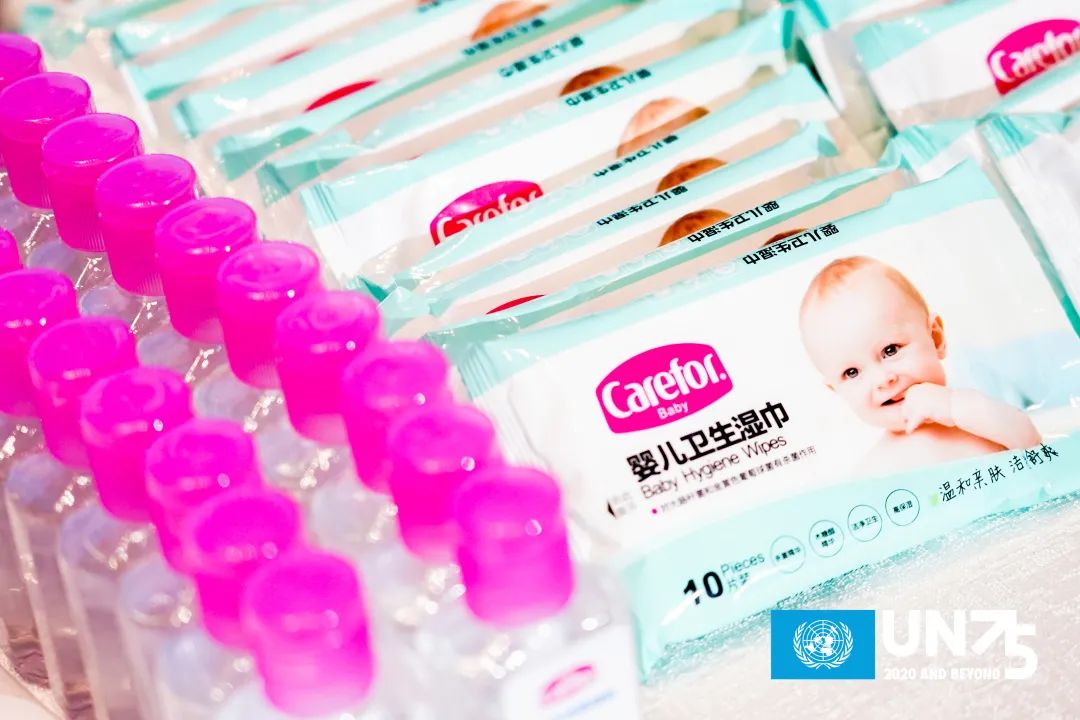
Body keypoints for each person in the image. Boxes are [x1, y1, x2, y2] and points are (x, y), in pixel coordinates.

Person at [798, 256, 1040, 476]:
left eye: (890, 350)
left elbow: (1035, 445)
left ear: (936, 338)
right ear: (837, 390)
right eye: (851, 373)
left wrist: (953, 406)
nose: (883, 380)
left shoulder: (979, 414)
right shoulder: (872, 473)